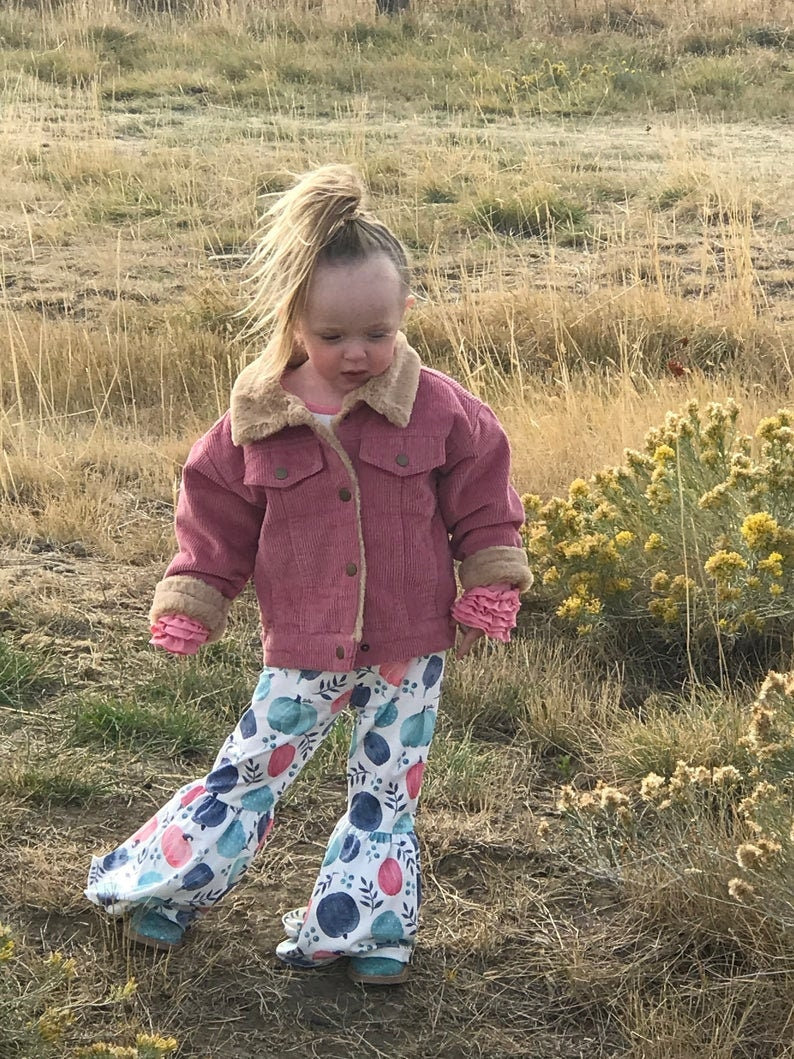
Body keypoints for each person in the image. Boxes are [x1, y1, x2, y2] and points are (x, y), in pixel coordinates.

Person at [84, 164, 532, 985]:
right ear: (294, 321)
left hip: (409, 644)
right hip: (303, 645)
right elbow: (214, 516)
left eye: (379, 333)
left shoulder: (441, 409)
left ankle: (367, 932)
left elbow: (484, 494)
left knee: (387, 789)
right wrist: (196, 593)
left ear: (403, 318)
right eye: (333, 337)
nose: (358, 354)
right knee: (251, 767)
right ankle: (167, 888)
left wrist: (491, 576)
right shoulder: (255, 421)